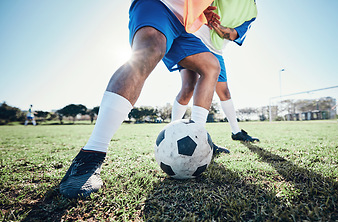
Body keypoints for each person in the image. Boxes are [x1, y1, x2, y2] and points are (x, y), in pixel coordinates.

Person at [59, 0, 222, 198]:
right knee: (149, 50)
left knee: (211, 66)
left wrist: (202, 10)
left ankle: (199, 138)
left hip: (183, 24)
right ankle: (90, 155)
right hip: (159, 4)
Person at [171, 0, 259, 143]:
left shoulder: (252, 11)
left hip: (216, 49)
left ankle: (236, 132)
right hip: (195, 36)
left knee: (224, 92)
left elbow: (234, 34)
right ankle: (171, 131)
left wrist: (223, 29)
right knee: (188, 86)